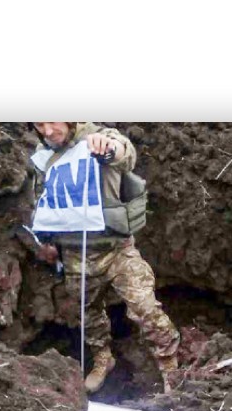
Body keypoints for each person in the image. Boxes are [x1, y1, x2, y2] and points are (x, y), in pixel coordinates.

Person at [17, 122, 180, 394]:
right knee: (88, 315)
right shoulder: (44, 156)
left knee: (145, 307)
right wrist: (45, 241)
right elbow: (43, 200)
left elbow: (125, 154)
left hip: (116, 251)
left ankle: (170, 365)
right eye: (38, 123)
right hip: (75, 256)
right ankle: (103, 359)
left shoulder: (98, 137)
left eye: (52, 120)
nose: (47, 130)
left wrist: (108, 150)